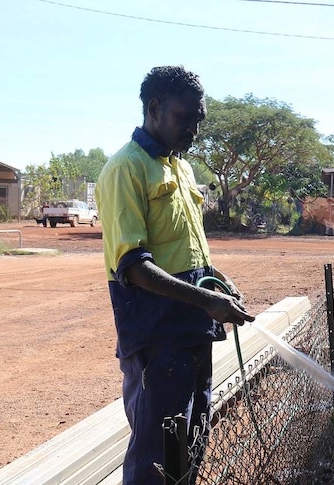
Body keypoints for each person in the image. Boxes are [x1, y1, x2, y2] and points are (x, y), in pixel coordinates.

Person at [96, 65, 254, 485]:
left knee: (192, 440)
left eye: (198, 121)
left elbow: (184, 248)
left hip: (191, 329)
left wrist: (216, 279)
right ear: (154, 108)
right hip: (155, 337)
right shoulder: (125, 169)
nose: (194, 130)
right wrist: (206, 300)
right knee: (155, 455)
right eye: (185, 119)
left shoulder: (180, 169)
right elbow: (134, 267)